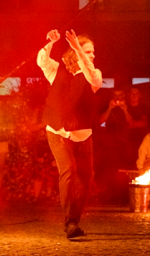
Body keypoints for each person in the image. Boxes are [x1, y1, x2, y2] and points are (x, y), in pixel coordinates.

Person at [37, 28, 102, 239]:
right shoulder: (57, 70)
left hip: (83, 135)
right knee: (69, 170)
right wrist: (50, 43)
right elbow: (42, 61)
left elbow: (90, 73)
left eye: (93, 52)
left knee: (85, 177)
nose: (92, 55)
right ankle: (70, 222)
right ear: (74, 52)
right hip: (57, 131)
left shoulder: (94, 74)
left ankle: (74, 219)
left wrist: (80, 52)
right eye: (88, 51)